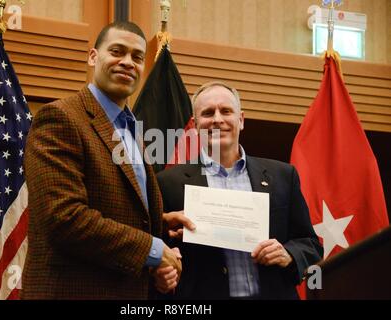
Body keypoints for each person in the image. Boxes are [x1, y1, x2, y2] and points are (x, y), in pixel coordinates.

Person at [21, 21, 191, 299]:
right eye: (117, 51)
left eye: (137, 57)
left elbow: (111, 205)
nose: (127, 62)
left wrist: (158, 225)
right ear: (93, 56)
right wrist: (153, 249)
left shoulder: (131, 129)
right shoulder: (60, 118)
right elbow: (65, 218)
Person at [156, 81, 323, 299]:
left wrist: (288, 254)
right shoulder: (168, 183)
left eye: (226, 111)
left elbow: (310, 244)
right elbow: (160, 251)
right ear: (195, 125)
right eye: (207, 113)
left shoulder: (283, 175)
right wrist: (163, 271)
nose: (217, 119)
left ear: (241, 120)